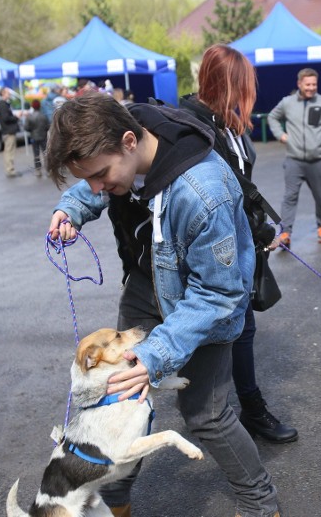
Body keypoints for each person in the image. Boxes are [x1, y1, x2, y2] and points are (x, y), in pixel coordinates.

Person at [46, 93, 281, 517]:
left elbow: (218, 295)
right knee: (116, 401)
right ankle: (113, 504)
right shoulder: (119, 138)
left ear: (131, 141)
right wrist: (72, 209)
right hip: (145, 286)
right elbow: (95, 184)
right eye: (89, 179)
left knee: (206, 414)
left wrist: (155, 355)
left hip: (203, 304)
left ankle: (261, 504)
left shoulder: (202, 192)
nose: (98, 187)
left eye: (100, 175)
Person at [179, 44, 297, 444]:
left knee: (241, 328)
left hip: (241, 241)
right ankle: (227, 412)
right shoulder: (190, 124)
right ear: (224, 83)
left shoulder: (229, 124)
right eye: (244, 86)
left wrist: (262, 227)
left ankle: (237, 409)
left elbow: (241, 186)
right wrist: (72, 209)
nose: (250, 95)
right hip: (210, 248)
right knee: (225, 328)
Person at [267, 68, 321, 248]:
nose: (311, 88)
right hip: (294, 160)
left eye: (314, 84)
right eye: (307, 84)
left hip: (318, 160)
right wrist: (281, 135)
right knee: (289, 197)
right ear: (299, 84)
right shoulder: (287, 102)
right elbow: (272, 117)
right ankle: (285, 232)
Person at [0, 87, 21, 178]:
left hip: (6, 130)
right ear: (3, 93)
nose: (9, 94)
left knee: (8, 150)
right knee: (9, 151)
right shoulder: (3, 105)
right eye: (7, 92)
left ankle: (10, 168)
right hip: (9, 130)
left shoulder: (1, 104)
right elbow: (6, 118)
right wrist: (16, 117)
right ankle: (10, 169)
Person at [24, 99, 50, 178]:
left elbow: (26, 127)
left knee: (36, 154)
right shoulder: (43, 116)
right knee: (45, 153)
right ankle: (48, 169)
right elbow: (47, 126)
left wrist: (32, 130)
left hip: (34, 137)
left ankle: (38, 170)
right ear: (39, 106)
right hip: (43, 136)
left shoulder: (30, 117)